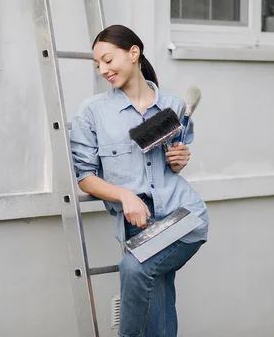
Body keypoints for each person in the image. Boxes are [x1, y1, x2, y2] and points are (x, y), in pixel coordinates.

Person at [69, 24, 209, 337]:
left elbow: (170, 166)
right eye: (98, 65)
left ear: (134, 53)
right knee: (158, 311)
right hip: (138, 221)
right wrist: (125, 196)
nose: (103, 70)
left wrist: (179, 158)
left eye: (108, 60)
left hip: (183, 215)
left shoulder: (172, 106)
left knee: (133, 268)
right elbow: (85, 177)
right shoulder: (93, 113)